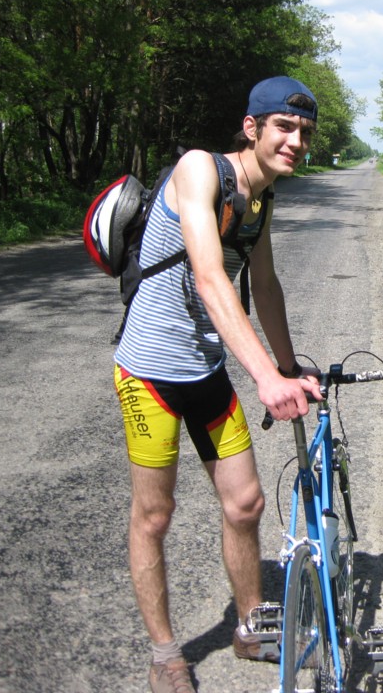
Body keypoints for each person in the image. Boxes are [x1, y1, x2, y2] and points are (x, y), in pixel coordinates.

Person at [112, 76, 324, 693]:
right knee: (155, 515)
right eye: (284, 127)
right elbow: (209, 278)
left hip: (204, 370)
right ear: (252, 128)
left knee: (245, 503)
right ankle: (165, 656)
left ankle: (251, 628)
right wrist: (265, 377)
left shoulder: (262, 199)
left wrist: (289, 368)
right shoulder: (199, 170)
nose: (295, 141)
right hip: (149, 374)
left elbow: (265, 285)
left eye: (305, 132)